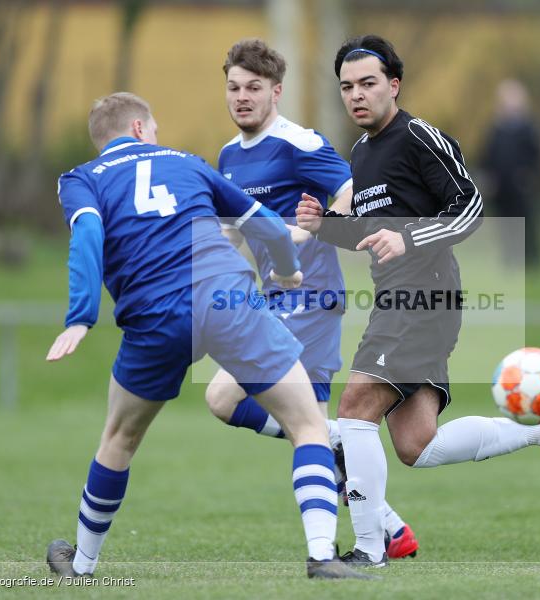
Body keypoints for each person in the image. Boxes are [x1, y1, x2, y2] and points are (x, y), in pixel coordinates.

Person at [44, 92, 370, 580]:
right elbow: (267, 227)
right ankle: (322, 555)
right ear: (139, 129)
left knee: (119, 437)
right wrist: (287, 274)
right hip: (227, 300)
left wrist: (80, 316)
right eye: (152, 129)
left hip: (155, 316)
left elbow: (88, 234)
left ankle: (83, 564)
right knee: (308, 424)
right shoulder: (188, 163)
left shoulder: (81, 179)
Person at [296, 35, 540, 568]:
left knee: (355, 409)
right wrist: (326, 228)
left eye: (368, 83)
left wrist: (409, 239)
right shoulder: (363, 152)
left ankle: (368, 550)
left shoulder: (418, 137)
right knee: (416, 445)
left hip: (423, 298)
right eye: (347, 86)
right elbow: (374, 233)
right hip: (399, 299)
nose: (357, 95)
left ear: (394, 84)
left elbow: (471, 207)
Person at [204, 38, 419, 560]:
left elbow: (348, 188)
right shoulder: (229, 156)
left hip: (312, 297)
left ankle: (354, 530)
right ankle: (389, 526)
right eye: (234, 87)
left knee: (231, 397)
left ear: (276, 91)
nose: (242, 97)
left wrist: (306, 235)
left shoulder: (299, 142)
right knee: (229, 403)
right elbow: (234, 232)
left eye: (253, 88)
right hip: (269, 301)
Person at [479, 79, 540, 268]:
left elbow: (536, 155)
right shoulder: (496, 129)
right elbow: (487, 156)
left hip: (520, 186)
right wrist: (487, 178)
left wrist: (529, 175)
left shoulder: (528, 128)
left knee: (525, 223)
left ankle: (530, 260)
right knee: (505, 225)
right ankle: (510, 260)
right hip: (501, 187)